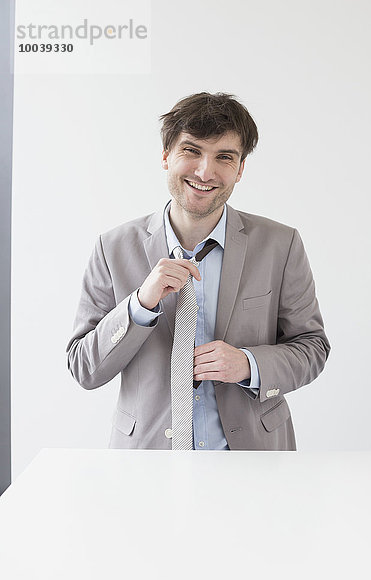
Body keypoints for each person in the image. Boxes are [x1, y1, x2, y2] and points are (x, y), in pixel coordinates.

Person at [67, 92, 330, 451]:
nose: (205, 172)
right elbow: (84, 368)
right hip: (147, 464)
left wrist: (249, 364)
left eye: (224, 157)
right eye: (191, 151)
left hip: (257, 461)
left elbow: (312, 348)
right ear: (165, 156)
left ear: (240, 169)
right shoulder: (112, 248)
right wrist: (140, 306)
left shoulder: (281, 245)